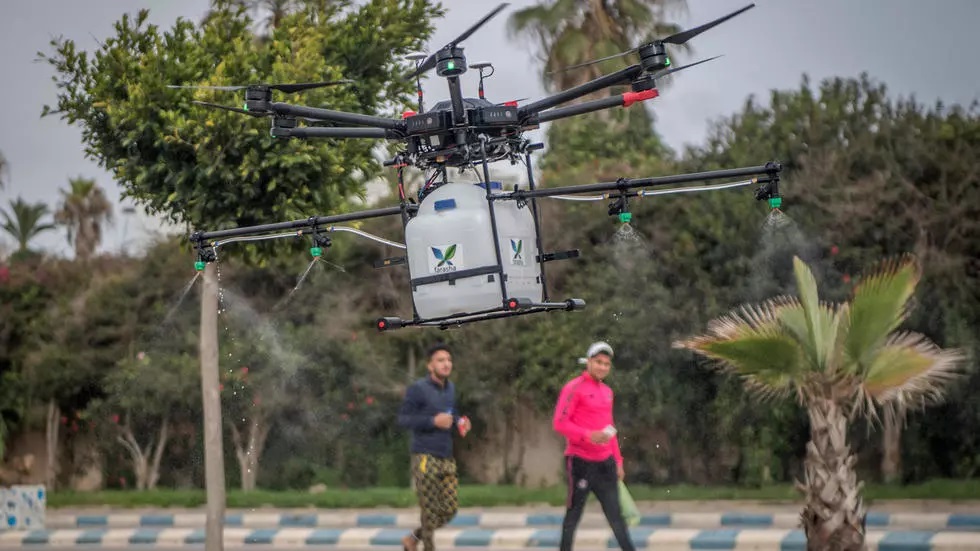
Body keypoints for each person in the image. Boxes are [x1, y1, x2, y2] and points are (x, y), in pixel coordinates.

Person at [552, 341, 635, 551]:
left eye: (607, 364)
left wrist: (618, 461)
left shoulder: (607, 392)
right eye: (598, 362)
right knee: (573, 515)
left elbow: (610, 428)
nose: (603, 367)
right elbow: (559, 422)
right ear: (589, 362)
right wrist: (588, 436)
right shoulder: (574, 388)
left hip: (605, 464)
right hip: (580, 462)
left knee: (615, 515)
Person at [397, 342, 471, 551]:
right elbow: (403, 419)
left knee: (449, 509)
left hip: (446, 456)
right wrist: (432, 422)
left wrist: (460, 422)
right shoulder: (418, 389)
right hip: (424, 457)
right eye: (440, 360)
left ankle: (413, 538)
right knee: (429, 511)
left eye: (448, 360)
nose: (446, 364)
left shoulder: (451, 388)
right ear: (430, 366)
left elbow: (451, 414)